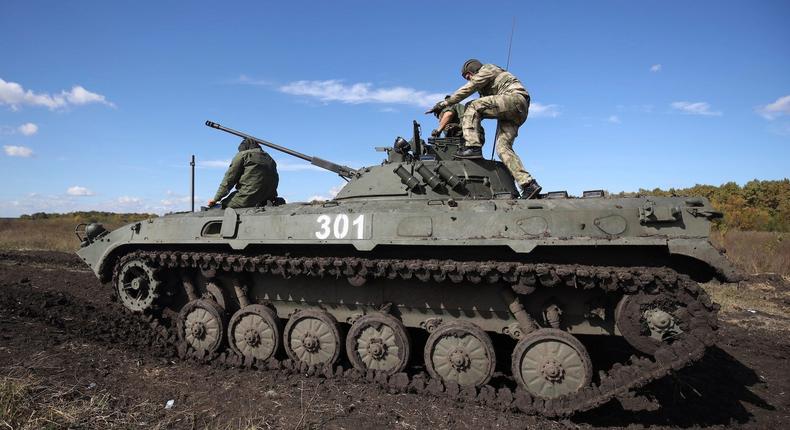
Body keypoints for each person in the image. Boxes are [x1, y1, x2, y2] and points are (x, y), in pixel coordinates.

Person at [426, 59, 542, 199]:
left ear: (473, 70)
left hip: (514, 99)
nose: (468, 78)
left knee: (472, 106)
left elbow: (469, 88)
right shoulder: (486, 88)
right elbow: (484, 108)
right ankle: (528, 185)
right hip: (516, 112)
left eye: (467, 75)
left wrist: (445, 103)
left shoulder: (487, 69)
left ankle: (473, 147)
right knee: (502, 148)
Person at [207, 138, 279, 209]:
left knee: (222, 205)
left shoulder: (243, 155)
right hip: (267, 198)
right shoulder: (270, 158)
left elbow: (229, 180)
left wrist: (215, 199)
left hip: (247, 198)